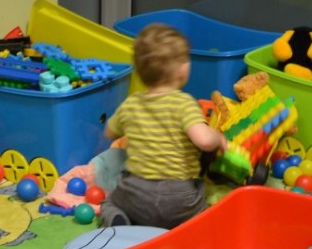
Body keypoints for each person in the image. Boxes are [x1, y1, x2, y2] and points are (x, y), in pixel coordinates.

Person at [97, 23, 227, 229]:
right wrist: (218, 138)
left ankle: (118, 219)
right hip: (179, 197)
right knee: (202, 214)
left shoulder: (130, 104)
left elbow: (109, 132)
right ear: (182, 69)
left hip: (135, 194)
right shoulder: (184, 103)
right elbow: (203, 140)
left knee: (109, 202)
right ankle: (195, 227)